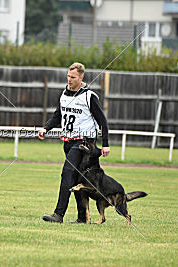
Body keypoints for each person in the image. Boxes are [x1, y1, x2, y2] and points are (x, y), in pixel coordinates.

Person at [38, 62, 110, 223]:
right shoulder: (64, 94)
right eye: (68, 76)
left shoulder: (89, 96)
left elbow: (102, 121)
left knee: (67, 173)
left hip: (84, 143)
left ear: (81, 77)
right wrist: (46, 128)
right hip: (68, 142)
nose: (69, 79)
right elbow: (58, 116)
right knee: (78, 179)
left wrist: (105, 144)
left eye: (73, 77)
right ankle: (82, 218)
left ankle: (58, 214)